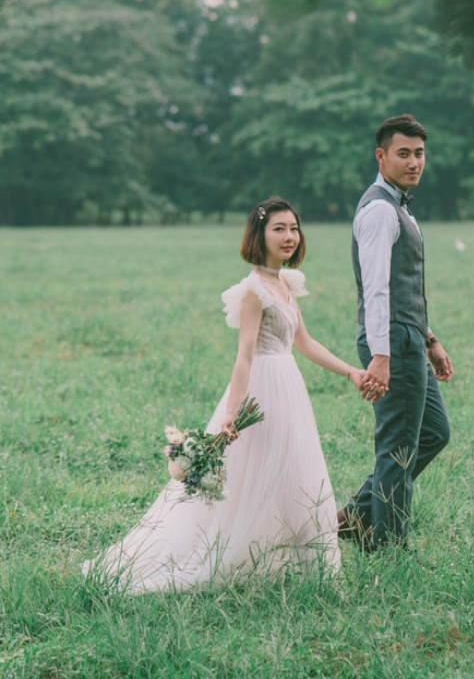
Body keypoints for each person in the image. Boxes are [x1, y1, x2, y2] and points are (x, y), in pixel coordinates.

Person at [83, 196, 375, 593]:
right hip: (262, 388)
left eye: (293, 228)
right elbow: (244, 357)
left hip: (290, 387)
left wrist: (352, 372)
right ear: (260, 234)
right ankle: (238, 554)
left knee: (294, 470)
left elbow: (304, 342)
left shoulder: (284, 282)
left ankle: (305, 564)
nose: (289, 236)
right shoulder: (254, 290)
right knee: (254, 474)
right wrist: (231, 414)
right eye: (279, 229)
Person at [338, 114, 454, 551]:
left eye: (419, 154)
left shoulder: (401, 207)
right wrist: (381, 358)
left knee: (432, 433)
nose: (413, 162)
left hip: (408, 338)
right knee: (397, 448)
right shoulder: (380, 211)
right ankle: (386, 545)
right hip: (390, 343)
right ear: (381, 156)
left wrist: (430, 340)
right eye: (403, 154)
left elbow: (406, 286)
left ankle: (357, 514)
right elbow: (377, 289)